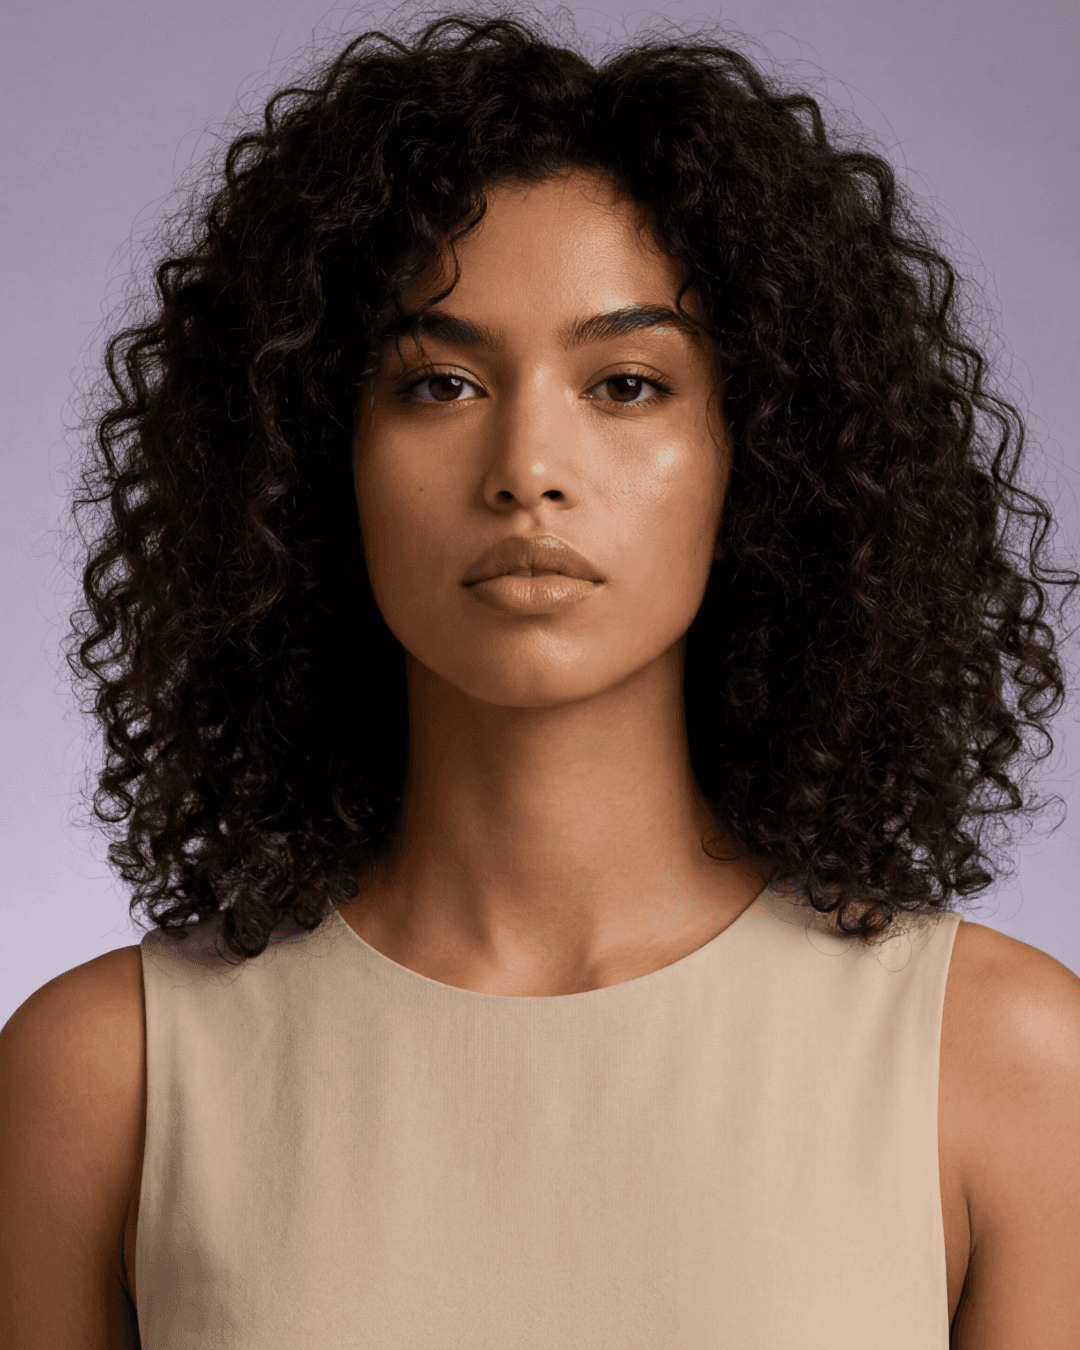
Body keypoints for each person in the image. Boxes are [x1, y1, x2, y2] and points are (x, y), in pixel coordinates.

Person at [2, 11, 1079, 1348]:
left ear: (763, 455)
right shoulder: (107, 1076)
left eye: (626, 383)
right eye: (440, 382)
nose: (526, 466)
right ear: (305, 456)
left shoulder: (1002, 1064)